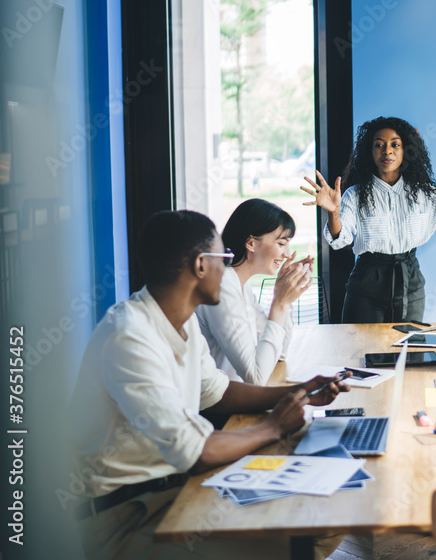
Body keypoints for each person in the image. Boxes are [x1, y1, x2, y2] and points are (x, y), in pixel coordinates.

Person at [66, 210, 348, 559]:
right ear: (201, 265)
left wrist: (298, 391)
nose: (227, 268)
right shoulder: (130, 336)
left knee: (332, 508)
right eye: (223, 258)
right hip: (128, 516)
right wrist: (274, 426)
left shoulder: (182, 323)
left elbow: (219, 392)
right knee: (296, 539)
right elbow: (195, 452)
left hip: (176, 487)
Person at [301, 116, 436, 323]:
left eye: (395, 144)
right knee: (359, 352)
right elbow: (340, 239)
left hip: (410, 281)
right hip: (366, 284)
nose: (387, 150)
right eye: (379, 145)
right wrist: (333, 212)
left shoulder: (424, 194)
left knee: (409, 352)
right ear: (370, 151)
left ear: (406, 150)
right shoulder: (354, 195)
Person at [197, 198, 312, 385]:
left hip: (238, 398)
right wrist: (280, 303)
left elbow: (280, 353)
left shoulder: (241, 284)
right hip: (221, 408)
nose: (287, 254)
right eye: (281, 244)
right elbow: (256, 378)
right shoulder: (222, 287)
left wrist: (284, 298)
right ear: (251, 244)